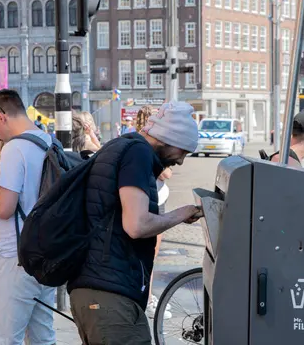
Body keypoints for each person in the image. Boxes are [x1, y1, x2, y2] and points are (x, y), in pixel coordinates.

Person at [67, 102, 203, 344]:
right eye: (183, 151)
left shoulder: (122, 146)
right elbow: (136, 225)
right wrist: (180, 214)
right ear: (169, 138)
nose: (181, 161)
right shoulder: (137, 154)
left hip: (98, 288)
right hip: (110, 293)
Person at [0, 90, 56, 345]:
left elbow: (5, 207)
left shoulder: (15, 149)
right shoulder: (49, 141)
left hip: (15, 257)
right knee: (43, 335)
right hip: (46, 254)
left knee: (6, 338)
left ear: (1, 115)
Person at [135, 105, 173, 319]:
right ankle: (147, 299)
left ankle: (146, 296)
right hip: (155, 201)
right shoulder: (151, 146)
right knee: (151, 254)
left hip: (157, 198)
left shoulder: (138, 141)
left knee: (149, 254)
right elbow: (166, 173)